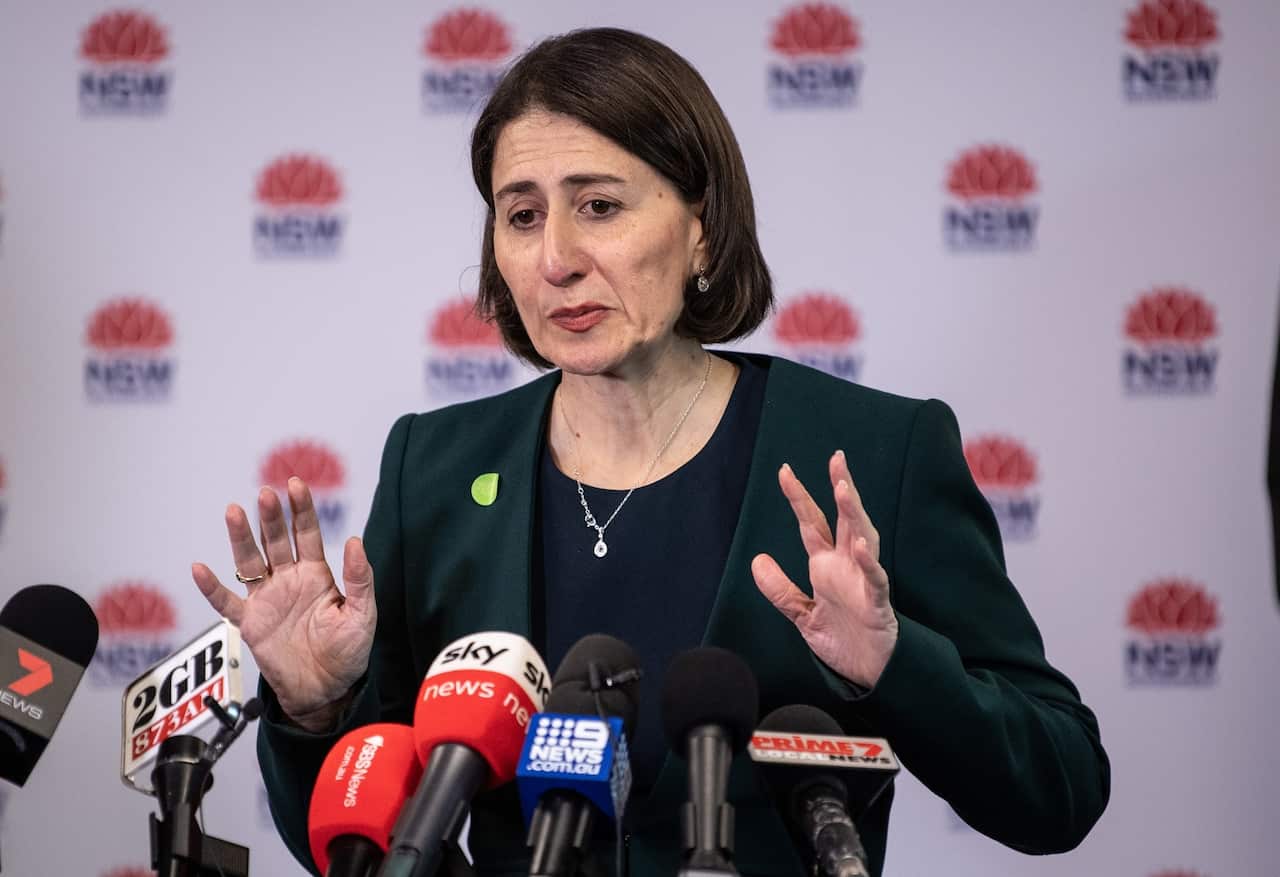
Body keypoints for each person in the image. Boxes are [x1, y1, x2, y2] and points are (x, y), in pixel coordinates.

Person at [192, 27, 1109, 877]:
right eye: (522, 216)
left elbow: (1060, 788)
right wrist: (313, 707)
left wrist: (895, 660)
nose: (556, 258)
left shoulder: (874, 451)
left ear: (700, 224)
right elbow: (362, 844)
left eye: (599, 205)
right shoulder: (432, 467)